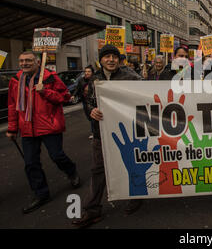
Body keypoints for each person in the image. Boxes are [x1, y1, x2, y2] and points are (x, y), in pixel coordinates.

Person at [72, 45, 143, 228]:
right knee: (98, 170)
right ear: (101, 60)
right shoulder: (94, 79)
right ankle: (92, 210)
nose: (111, 60)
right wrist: (92, 111)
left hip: (127, 131)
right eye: (107, 57)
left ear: (119, 60)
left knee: (130, 165)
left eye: (114, 56)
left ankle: (135, 198)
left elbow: (145, 96)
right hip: (101, 132)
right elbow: (88, 102)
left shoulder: (131, 77)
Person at [6, 51, 80, 214]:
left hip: (49, 126)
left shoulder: (50, 78)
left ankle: (71, 171)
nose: (24, 63)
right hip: (27, 128)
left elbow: (65, 97)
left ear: (38, 62)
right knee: (30, 163)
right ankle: (41, 193)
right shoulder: (16, 80)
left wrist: (45, 92)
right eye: (22, 60)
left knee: (57, 156)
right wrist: (12, 128)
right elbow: (12, 105)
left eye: (28, 60)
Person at [72, 65, 95, 139]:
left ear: (92, 72)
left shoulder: (95, 79)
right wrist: (74, 95)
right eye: (85, 71)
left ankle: (94, 132)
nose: (87, 73)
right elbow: (77, 88)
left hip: (94, 102)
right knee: (89, 117)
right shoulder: (81, 80)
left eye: (89, 71)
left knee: (93, 117)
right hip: (85, 101)